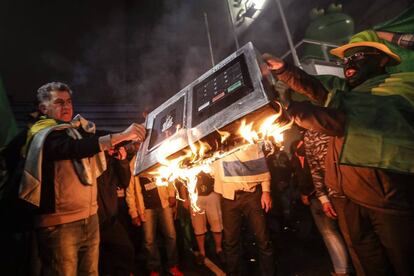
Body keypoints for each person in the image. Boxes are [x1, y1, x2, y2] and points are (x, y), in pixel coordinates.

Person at [262, 30, 414, 276]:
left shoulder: (400, 86)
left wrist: (292, 110)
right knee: (366, 262)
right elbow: (319, 89)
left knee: (404, 261)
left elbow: (349, 117)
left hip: (388, 196)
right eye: (345, 60)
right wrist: (283, 69)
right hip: (346, 196)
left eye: (358, 56)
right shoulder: (346, 93)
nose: (349, 64)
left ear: (383, 60)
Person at [19, 82, 146, 276]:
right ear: (43, 108)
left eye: (69, 101)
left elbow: (93, 139)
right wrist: (120, 136)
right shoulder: (42, 134)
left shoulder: (74, 130)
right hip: (59, 225)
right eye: (59, 102)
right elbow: (72, 148)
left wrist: (135, 133)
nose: (67, 106)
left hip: (90, 217)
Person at [291, 137, 353, 276]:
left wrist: (322, 196)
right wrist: (304, 193)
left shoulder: (316, 143)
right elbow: (303, 176)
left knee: (337, 232)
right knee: (329, 233)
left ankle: (344, 270)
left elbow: (318, 172)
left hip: (330, 194)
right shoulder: (296, 156)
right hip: (317, 198)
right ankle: (343, 268)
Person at [212, 143, 275, 276]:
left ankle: (268, 273)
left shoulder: (247, 138)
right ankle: (234, 273)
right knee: (230, 241)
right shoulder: (217, 144)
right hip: (229, 197)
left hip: (251, 195)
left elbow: (260, 165)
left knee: (263, 238)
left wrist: (266, 191)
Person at [125, 171, 183, 276]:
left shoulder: (155, 156)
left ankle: (172, 265)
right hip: (146, 208)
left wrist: (171, 194)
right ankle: (154, 268)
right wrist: (133, 213)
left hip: (163, 203)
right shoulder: (134, 165)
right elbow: (130, 192)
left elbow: (168, 175)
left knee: (171, 235)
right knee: (149, 240)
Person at [97, 145, 135, 276]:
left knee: (125, 249)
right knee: (102, 260)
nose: (113, 150)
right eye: (111, 147)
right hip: (94, 220)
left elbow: (124, 182)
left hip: (111, 219)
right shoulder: (93, 161)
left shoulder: (112, 163)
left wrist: (123, 161)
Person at [182, 171, 224, 265]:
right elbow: (182, 182)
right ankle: (202, 252)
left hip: (212, 194)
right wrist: (185, 198)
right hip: (195, 196)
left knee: (216, 223)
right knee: (198, 226)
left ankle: (219, 249)